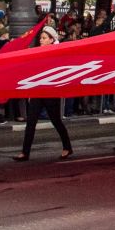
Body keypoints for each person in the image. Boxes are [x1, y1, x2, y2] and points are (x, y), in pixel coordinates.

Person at [13, 26, 74, 161]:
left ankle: (67, 147)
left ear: (52, 40)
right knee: (31, 121)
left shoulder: (58, 53)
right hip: (37, 91)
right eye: (40, 38)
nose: (41, 40)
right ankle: (25, 152)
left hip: (51, 92)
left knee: (56, 121)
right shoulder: (36, 52)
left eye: (44, 38)